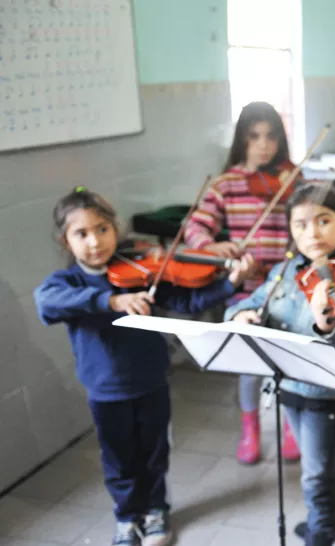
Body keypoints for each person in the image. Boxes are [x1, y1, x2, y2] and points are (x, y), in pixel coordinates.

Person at [34, 187, 257, 546]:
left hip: (151, 380)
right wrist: (111, 300)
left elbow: (190, 300)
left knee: (154, 452)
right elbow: (47, 302)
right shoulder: (69, 283)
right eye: (82, 233)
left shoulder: (141, 269)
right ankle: (126, 516)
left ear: (115, 228)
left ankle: (155, 509)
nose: (95, 242)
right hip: (105, 389)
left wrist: (231, 283)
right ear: (66, 240)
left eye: (102, 229)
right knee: (118, 458)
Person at [225, 183, 335, 546]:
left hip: (326, 395)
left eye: (323, 221)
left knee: (315, 475)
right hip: (287, 385)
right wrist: (242, 315)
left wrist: (326, 323)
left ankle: (321, 533)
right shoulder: (285, 270)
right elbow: (251, 303)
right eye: (301, 224)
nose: (312, 233)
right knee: (324, 459)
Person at [184, 101, 301, 465]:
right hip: (247, 290)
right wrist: (212, 246)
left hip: (289, 288)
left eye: (271, 136)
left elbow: (315, 214)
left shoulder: (292, 179)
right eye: (254, 136)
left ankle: (290, 425)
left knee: (289, 361)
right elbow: (194, 227)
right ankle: (250, 427)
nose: (264, 145)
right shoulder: (227, 184)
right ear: (242, 140)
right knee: (249, 365)